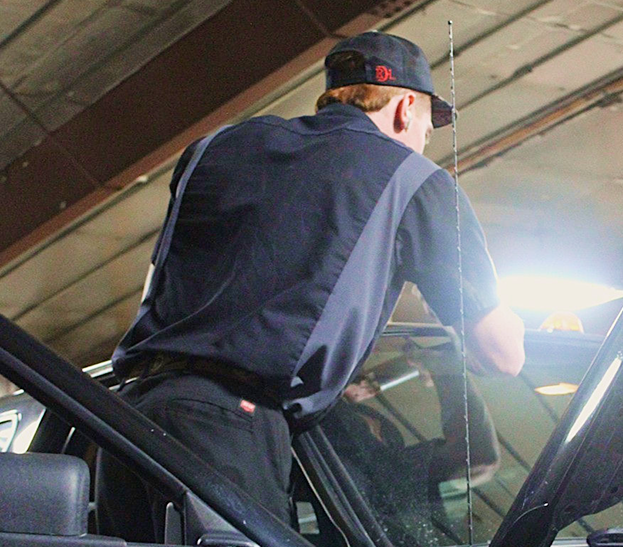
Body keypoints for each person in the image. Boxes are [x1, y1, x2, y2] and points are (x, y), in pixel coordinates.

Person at [96, 30, 525, 541]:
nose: (424, 141)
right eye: (427, 128)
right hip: (230, 430)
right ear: (406, 108)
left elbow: (160, 283)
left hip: (124, 421)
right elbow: (503, 355)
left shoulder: (214, 148)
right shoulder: (416, 181)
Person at [325, 341, 501, 546]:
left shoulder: (378, 488)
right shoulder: (380, 483)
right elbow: (479, 457)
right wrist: (440, 362)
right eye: (371, 431)